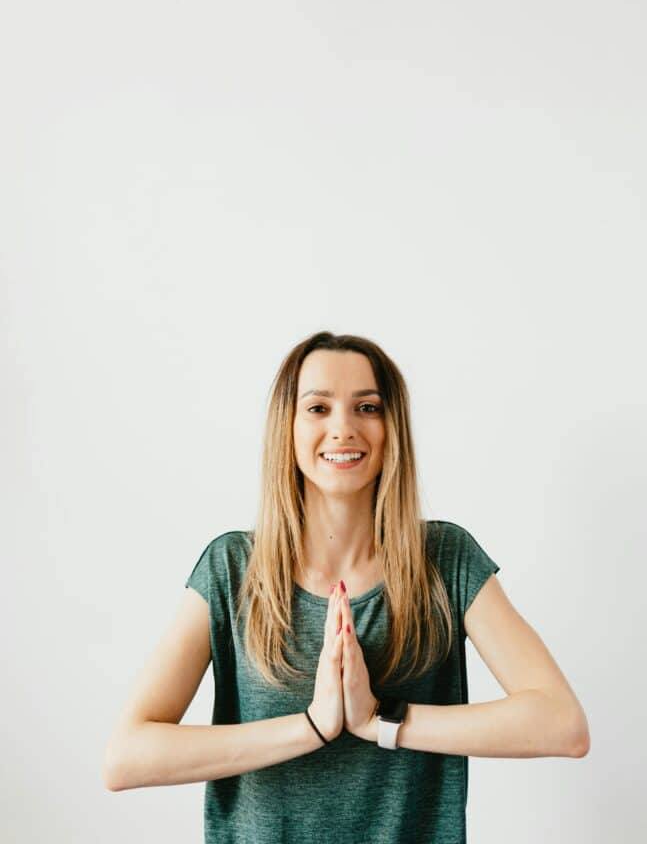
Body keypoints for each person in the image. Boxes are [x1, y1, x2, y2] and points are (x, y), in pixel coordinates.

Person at [102, 330, 590, 842]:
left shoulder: (446, 560)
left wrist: (383, 721)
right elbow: (126, 758)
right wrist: (312, 726)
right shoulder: (232, 569)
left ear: (391, 426)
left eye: (367, 407)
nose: (343, 429)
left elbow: (562, 724)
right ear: (287, 428)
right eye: (318, 408)